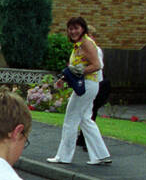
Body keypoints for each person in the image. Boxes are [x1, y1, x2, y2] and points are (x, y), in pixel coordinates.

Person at [47, 16, 111, 165]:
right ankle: (101, 155)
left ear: (83, 29)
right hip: (88, 85)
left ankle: (63, 157)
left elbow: (97, 65)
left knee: (70, 120)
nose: (73, 31)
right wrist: (66, 77)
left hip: (86, 85)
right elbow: (78, 67)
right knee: (85, 119)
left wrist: (78, 71)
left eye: (76, 28)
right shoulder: (80, 44)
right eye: (70, 29)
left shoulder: (86, 44)